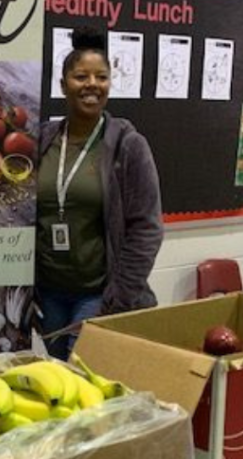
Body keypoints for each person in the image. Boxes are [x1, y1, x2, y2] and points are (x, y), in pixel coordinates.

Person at [34, 26, 163, 360]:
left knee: (85, 383)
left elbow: (146, 228)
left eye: (101, 77)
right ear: (63, 84)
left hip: (98, 295)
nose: (92, 84)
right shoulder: (41, 141)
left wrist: (116, 299)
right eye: (81, 76)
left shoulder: (128, 146)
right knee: (59, 382)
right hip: (48, 293)